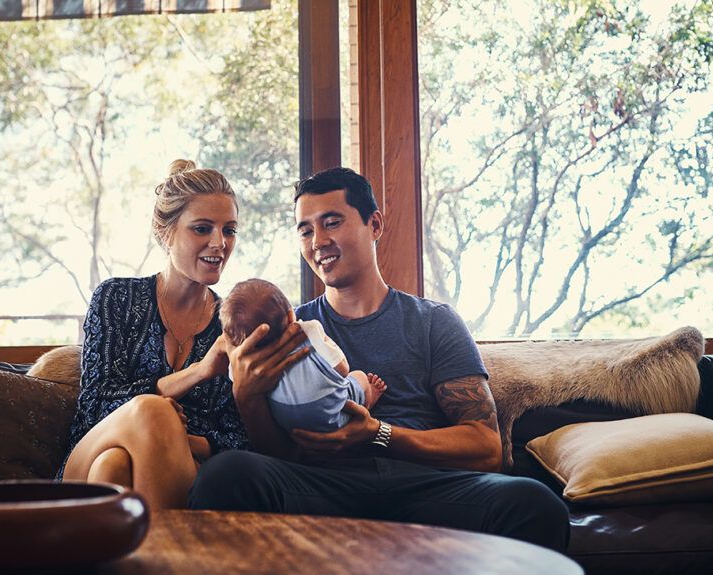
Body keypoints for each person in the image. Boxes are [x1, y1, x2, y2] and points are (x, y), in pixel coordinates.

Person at [188, 167, 570, 550]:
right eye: (305, 230)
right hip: (323, 488)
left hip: (424, 486)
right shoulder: (289, 329)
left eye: (331, 222)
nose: (318, 240)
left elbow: (486, 449)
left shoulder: (433, 321)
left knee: (534, 504)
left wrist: (380, 435)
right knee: (226, 475)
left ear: (374, 224)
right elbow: (283, 454)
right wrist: (248, 399)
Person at [61, 159, 249, 510]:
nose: (219, 243)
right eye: (202, 228)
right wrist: (198, 372)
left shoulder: (232, 325)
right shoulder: (116, 297)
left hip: (175, 469)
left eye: (229, 230)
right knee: (151, 413)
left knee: (114, 466)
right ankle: (172, 560)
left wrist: (169, 440)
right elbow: (95, 405)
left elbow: (237, 437)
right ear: (166, 233)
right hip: (86, 455)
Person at [219, 278, 387, 432]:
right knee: (357, 376)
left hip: (290, 425)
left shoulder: (246, 364)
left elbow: (235, 377)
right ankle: (368, 398)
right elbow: (341, 369)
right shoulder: (308, 330)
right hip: (333, 415)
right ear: (291, 315)